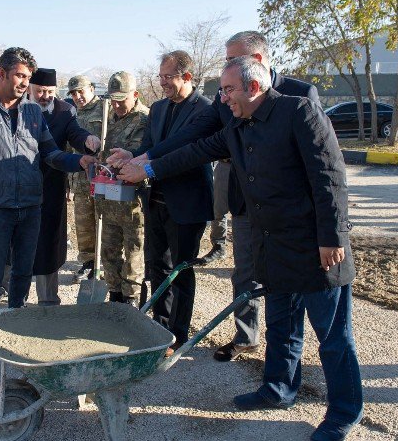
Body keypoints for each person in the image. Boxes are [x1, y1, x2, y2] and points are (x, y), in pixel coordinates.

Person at [119, 56, 363, 441]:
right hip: (274, 245)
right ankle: (278, 389)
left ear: (254, 87)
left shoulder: (299, 111)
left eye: (228, 89)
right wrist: (145, 167)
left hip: (316, 247)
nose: (222, 97)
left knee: (333, 336)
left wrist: (331, 237)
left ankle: (345, 412)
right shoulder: (237, 123)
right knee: (281, 326)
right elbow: (194, 151)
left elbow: (330, 177)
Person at [108, 30, 320, 362]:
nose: (224, 92)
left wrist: (329, 232)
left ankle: (296, 380)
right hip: (243, 207)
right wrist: (141, 160)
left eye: (231, 62)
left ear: (256, 62)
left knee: (303, 305)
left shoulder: (300, 97)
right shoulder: (217, 103)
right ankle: (264, 362)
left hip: (292, 218)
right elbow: (193, 143)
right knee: (247, 278)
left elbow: (323, 171)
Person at [0, 47, 97, 363]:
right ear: (2, 74)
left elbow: (50, 154)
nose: (24, 83)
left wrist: (81, 161)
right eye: (20, 75)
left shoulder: (34, 113)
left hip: (32, 205)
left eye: (28, 77)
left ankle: (14, 327)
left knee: (23, 271)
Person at [112, 51, 213, 354]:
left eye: (168, 77)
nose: (163, 82)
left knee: (181, 270)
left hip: (187, 202)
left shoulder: (204, 110)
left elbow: (183, 151)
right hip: (154, 199)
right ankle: (160, 325)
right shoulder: (157, 109)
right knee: (157, 266)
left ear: (187, 77)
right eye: (160, 76)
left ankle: (179, 335)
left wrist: (145, 162)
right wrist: (130, 155)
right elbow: (150, 147)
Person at [26, 68, 100, 306]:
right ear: (29, 89)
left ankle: (48, 302)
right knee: (15, 246)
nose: (45, 96)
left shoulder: (64, 111)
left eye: (49, 91)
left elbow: (75, 133)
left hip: (51, 187)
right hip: (20, 188)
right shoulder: (15, 109)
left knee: (48, 245)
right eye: (39, 91)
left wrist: (87, 141)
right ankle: (10, 297)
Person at [96, 71, 149, 306]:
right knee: (109, 251)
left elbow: (148, 156)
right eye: (112, 99)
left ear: (135, 94)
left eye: (121, 99)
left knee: (134, 253)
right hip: (110, 201)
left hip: (133, 203)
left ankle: (131, 301)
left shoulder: (146, 120)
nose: (116, 104)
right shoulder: (112, 118)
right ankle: (115, 296)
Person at [67, 75, 103, 283]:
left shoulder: (106, 109)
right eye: (73, 93)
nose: (77, 96)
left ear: (91, 88)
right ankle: (88, 262)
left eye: (81, 91)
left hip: (102, 179)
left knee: (104, 224)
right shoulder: (71, 113)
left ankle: (104, 264)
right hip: (79, 180)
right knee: (83, 224)